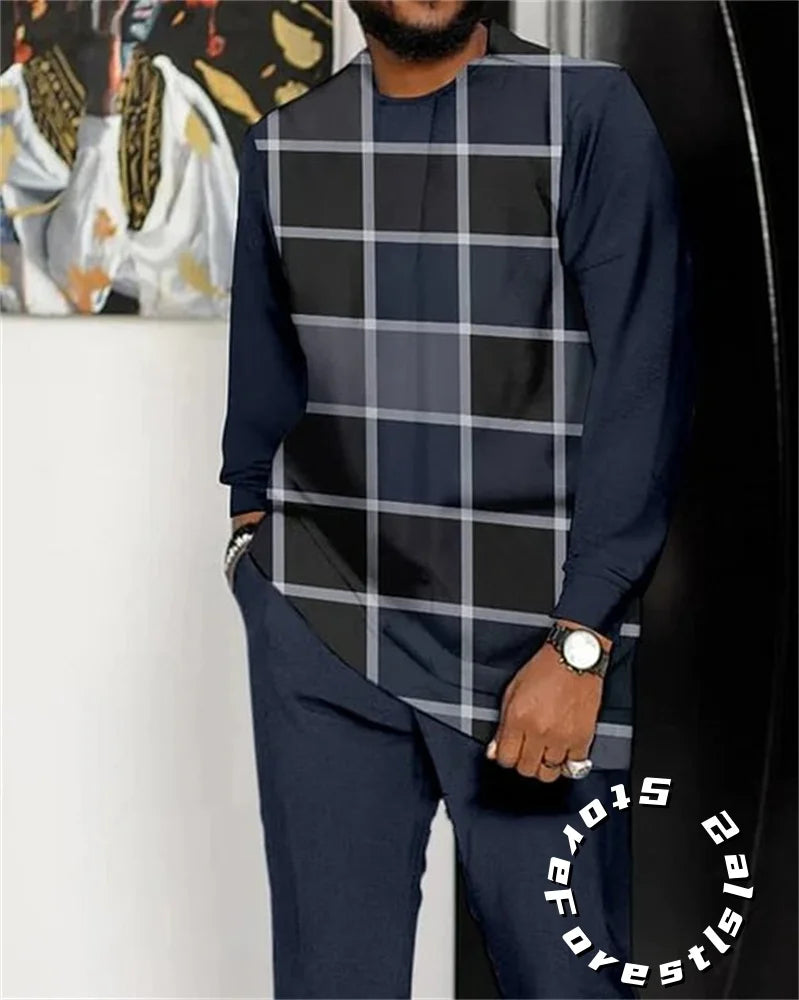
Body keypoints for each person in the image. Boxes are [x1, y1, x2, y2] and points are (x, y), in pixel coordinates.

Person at [219, 3, 695, 997]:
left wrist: (581, 639)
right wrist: (253, 546)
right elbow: (265, 380)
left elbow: (642, 385)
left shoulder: (588, 114)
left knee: (566, 982)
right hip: (324, 623)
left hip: (535, 644)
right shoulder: (286, 142)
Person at [0, 0, 237, 316]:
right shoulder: (13, 108)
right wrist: (101, 114)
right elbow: (81, 285)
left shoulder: (180, 102)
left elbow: (225, 274)